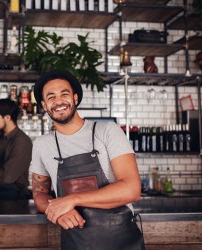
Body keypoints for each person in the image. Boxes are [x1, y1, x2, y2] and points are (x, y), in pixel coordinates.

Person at [30, 70, 145, 250]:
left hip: (121, 242)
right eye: (51, 97)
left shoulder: (107, 131)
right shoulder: (42, 144)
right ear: (44, 105)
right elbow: (39, 194)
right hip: (75, 242)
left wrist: (71, 200)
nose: (58, 101)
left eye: (64, 94)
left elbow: (132, 189)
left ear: (75, 98)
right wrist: (56, 212)